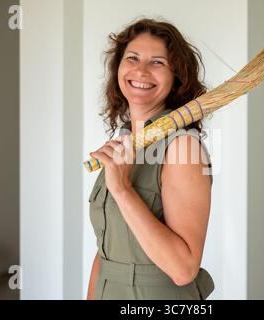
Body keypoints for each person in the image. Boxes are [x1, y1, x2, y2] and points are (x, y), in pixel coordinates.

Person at [86, 18, 214, 300]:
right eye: (132, 58)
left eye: (157, 62)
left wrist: (121, 189)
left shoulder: (183, 148)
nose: (140, 70)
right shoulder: (123, 144)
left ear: (176, 77)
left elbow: (183, 269)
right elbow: (106, 249)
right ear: (118, 68)